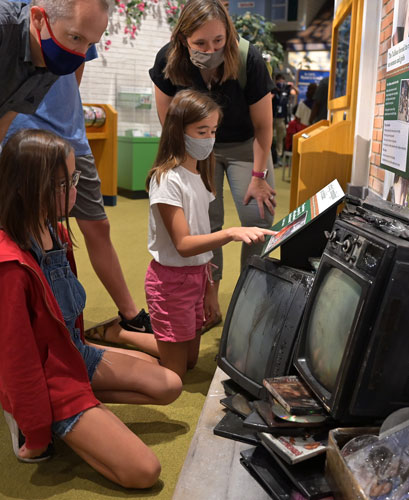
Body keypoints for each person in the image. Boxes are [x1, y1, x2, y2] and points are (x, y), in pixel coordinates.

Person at [0, 129, 182, 487]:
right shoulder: (9, 266)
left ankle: (75, 408)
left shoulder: (56, 232)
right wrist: (37, 433)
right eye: (64, 183)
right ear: (28, 188)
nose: (75, 189)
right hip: (48, 377)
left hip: (72, 354)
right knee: (144, 471)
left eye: (75, 177)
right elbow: (16, 360)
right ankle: (30, 414)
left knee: (170, 384)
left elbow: (67, 319)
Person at [5, 46, 154, 344]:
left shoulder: (78, 12)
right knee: (20, 232)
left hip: (69, 136)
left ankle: (127, 315)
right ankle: (32, 327)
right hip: (19, 137)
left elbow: (76, 68)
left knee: (97, 226)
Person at [149, 0, 277, 331]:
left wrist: (259, 177)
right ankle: (211, 300)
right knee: (208, 225)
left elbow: (264, 127)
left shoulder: (249, 57)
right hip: (197, 147)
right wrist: (184, 165)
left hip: (245, 145)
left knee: (257, 218)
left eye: (218, 41)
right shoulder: (168, 59)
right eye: (201, 44)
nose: (211, 49)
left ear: (228, 34)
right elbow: (171, 122)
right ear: (183, 39)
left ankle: (251, 301)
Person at [144, 89, 275, 379]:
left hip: (195, 277)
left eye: (213, 131)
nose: (209, 139)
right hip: (170, 282)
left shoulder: (200, 177)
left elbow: (200, 248)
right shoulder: (166, 179)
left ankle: (158, 340)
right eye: (201, 131)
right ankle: (120, 339)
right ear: (178, 132)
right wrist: (230, 233)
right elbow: (184, 245)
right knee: (175, 373)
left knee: (190, 362)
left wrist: (208, 290)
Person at [0, 0, 109, 142]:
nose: (82, 53)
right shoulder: (5, 28)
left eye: (90, 44)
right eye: (76, 37)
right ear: (39, 18)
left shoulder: (49, 58)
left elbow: (7, 114)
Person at [272, 73, 294, 163]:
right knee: (271, 137)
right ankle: (271, 157)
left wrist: (292, 86)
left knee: (280, 138)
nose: (281, 82)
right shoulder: (273, 89)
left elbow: (295, 92)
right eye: (279, 80)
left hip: (281, 118)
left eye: (282, 80)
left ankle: (278, 157)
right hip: (272, 117)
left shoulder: (286, 89)